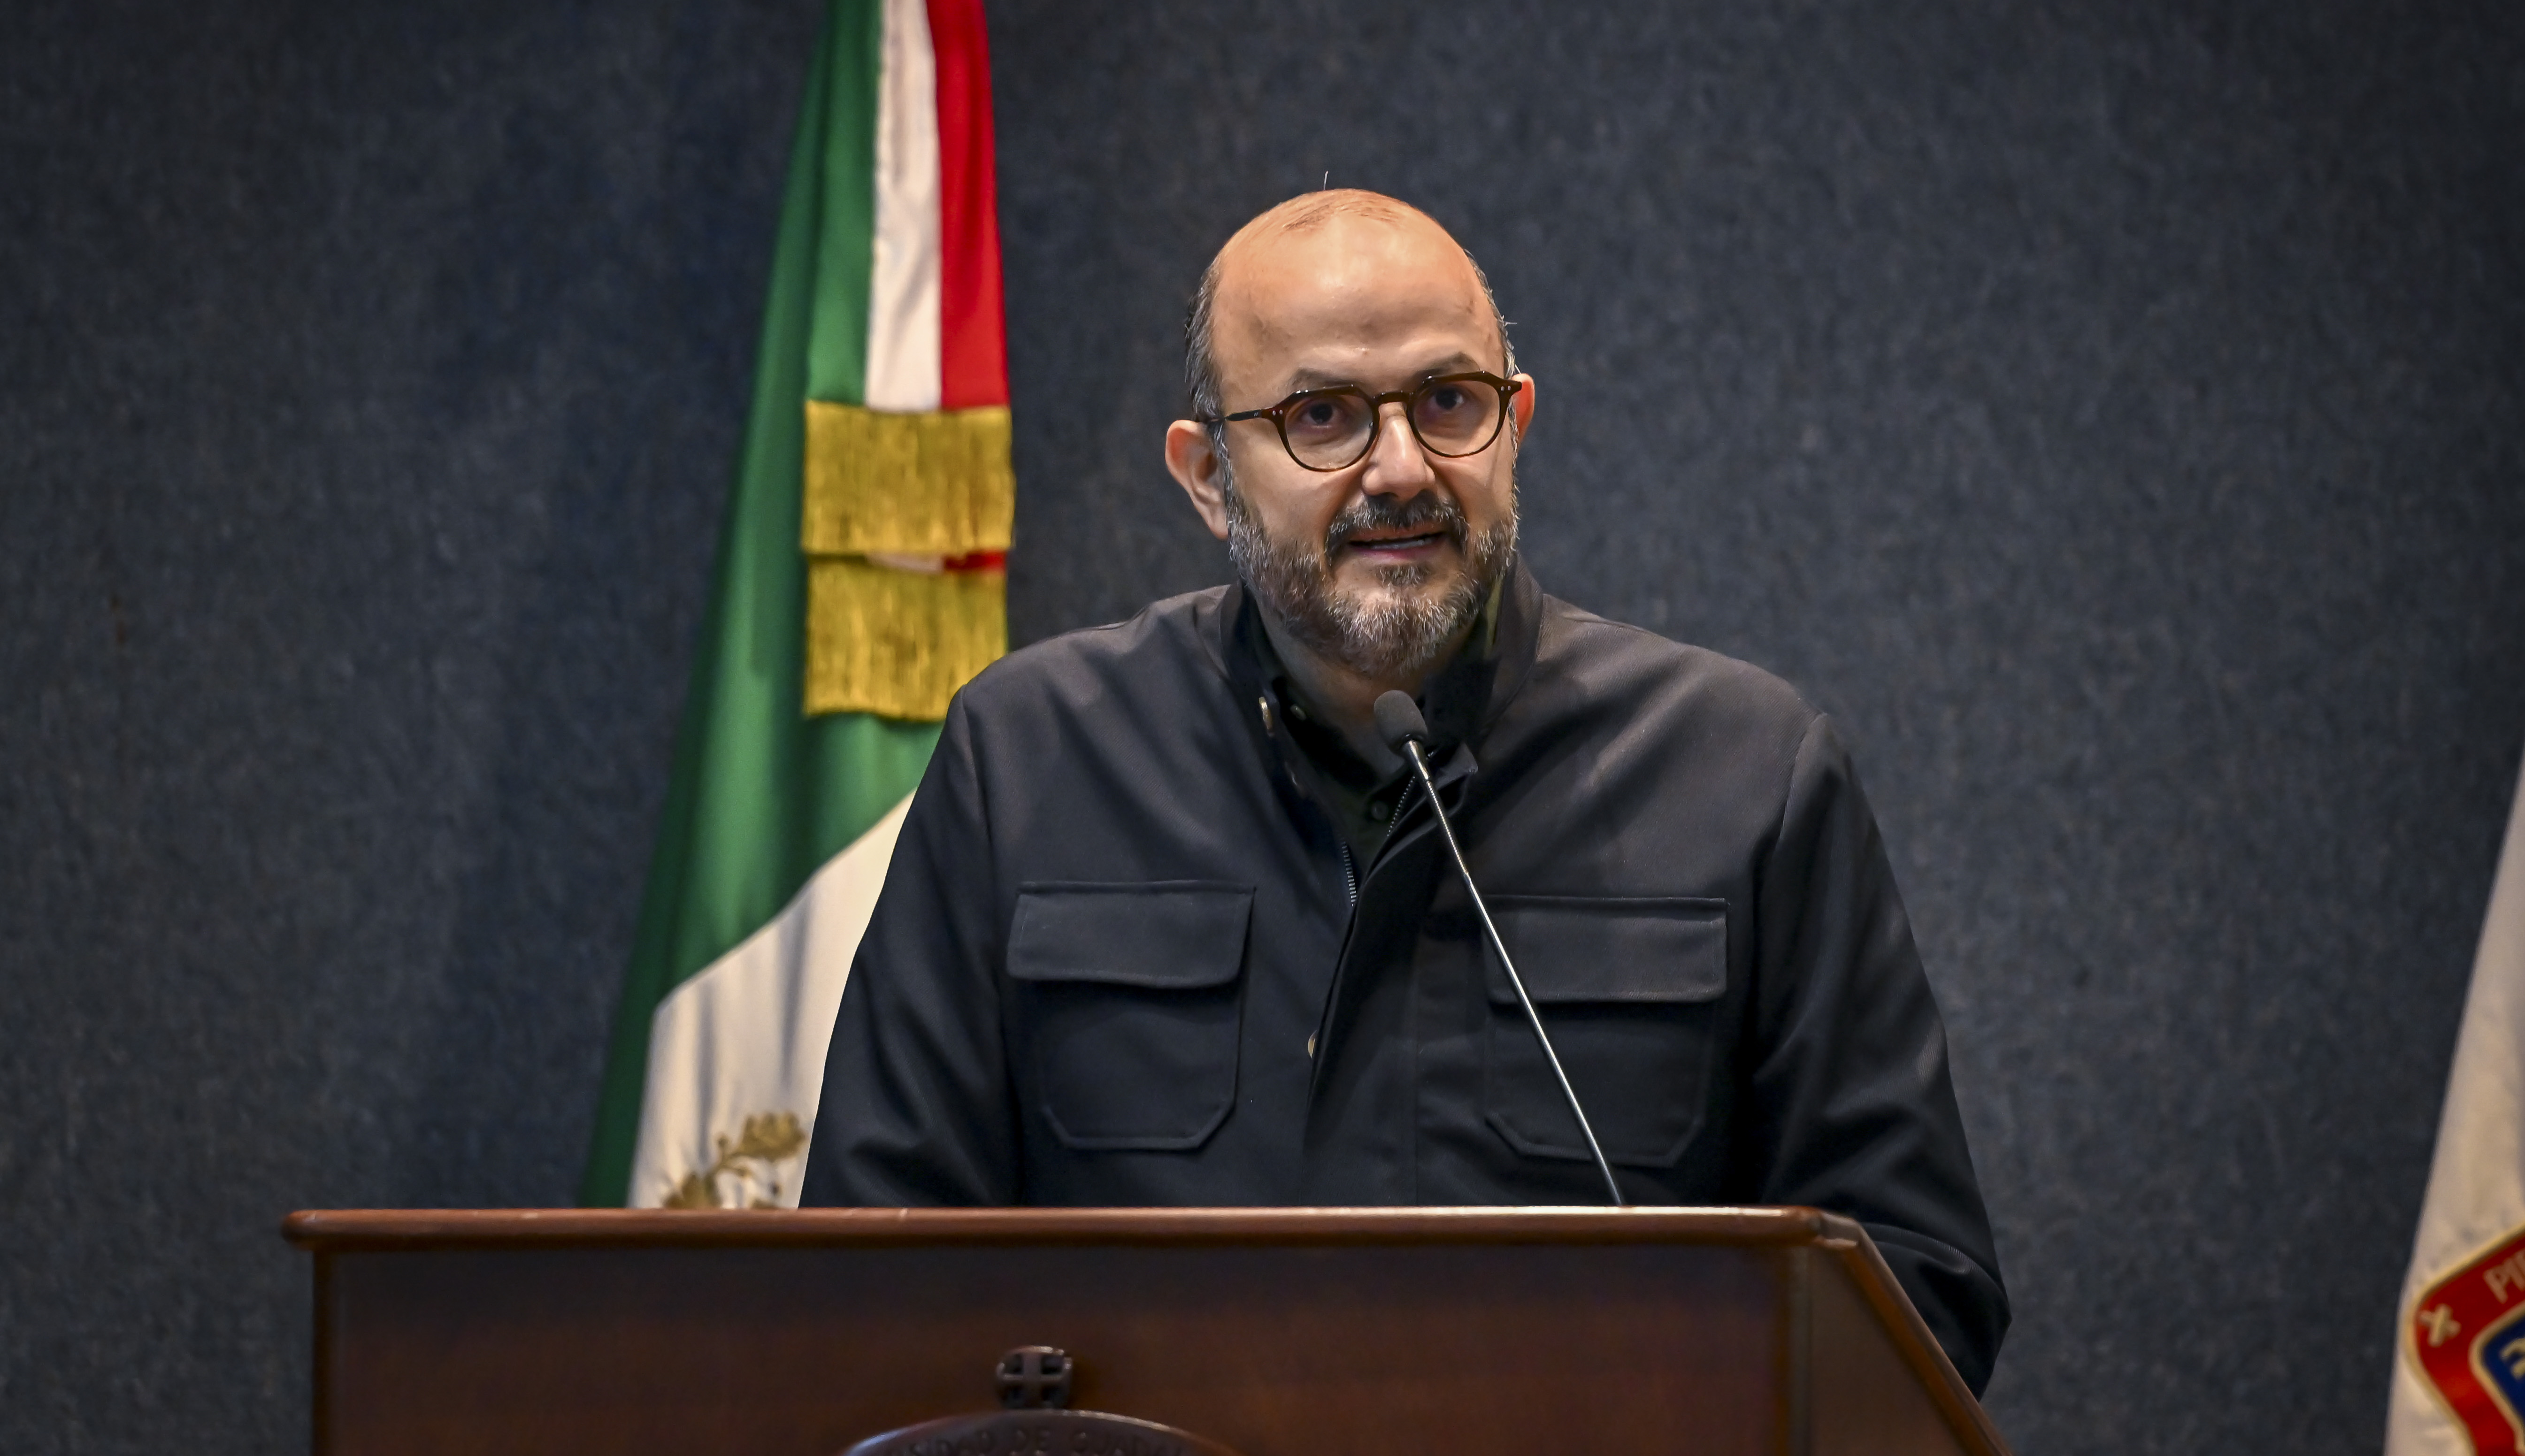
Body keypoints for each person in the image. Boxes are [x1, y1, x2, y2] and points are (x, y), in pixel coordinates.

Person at [800, 189, 2010, 1393]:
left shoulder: (1744, 774)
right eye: (1322, 417)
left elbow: (1913, 1293)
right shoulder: (1027, 763)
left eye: (1447, 403)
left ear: (1514, 424)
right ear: (1209, 476)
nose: (1400, 469)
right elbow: (870, 1282)